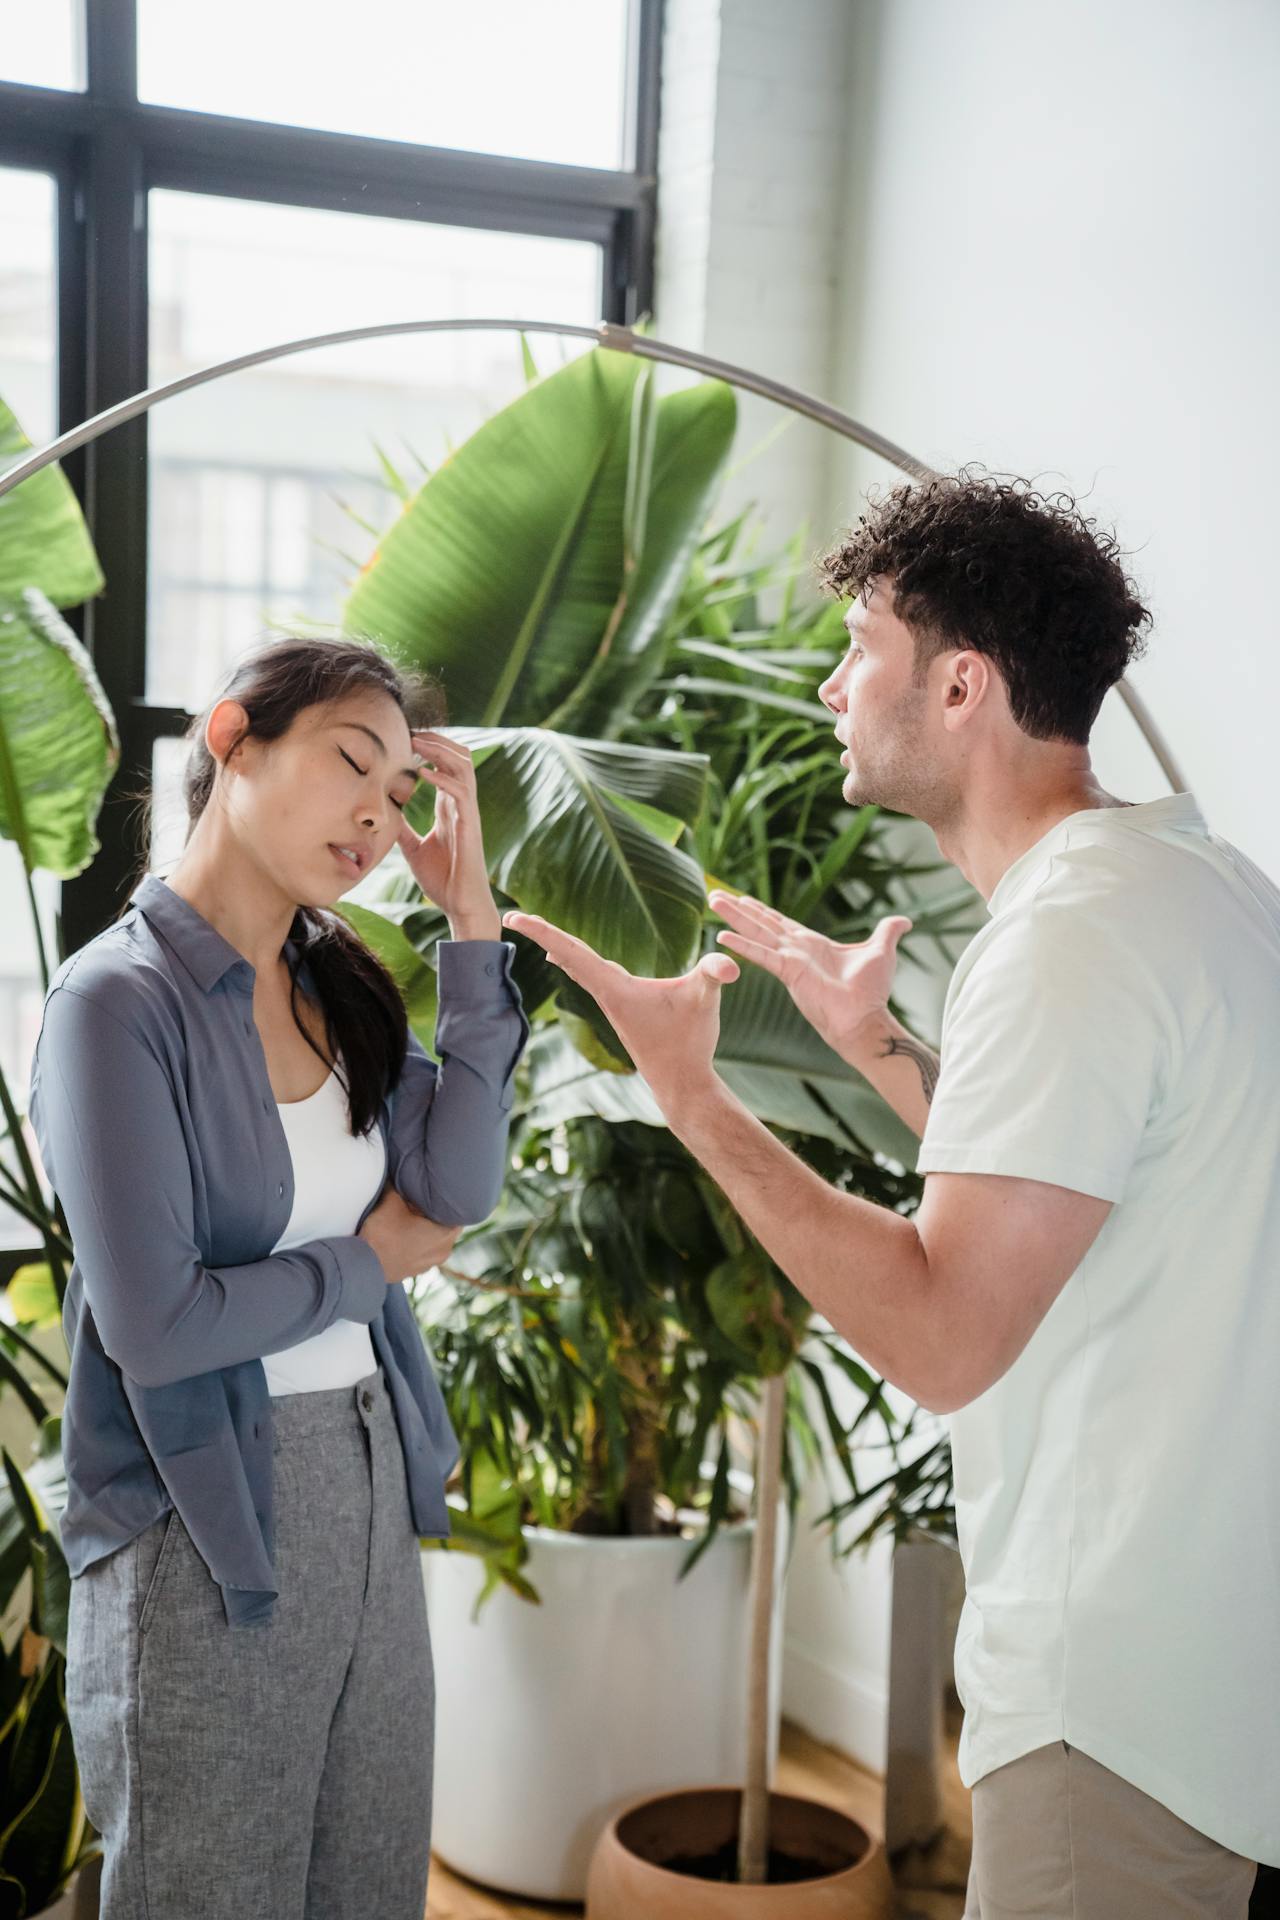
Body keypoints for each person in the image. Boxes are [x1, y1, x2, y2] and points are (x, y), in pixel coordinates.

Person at [502, 472, 1279, 1919]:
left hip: (1115, 1701)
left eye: (863, 645)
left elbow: (940, 1333)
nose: (830, 682)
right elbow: (1094, 1193)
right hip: (1217, 1663)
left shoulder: (1069, 943)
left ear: (965, 685)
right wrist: (882, 1048)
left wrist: (692, 1096)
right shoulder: (1199, 885)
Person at [27, 636, 529, 1919]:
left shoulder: (342, 985)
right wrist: (365, 1267)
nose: (375, 815)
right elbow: (161, 1325)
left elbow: (459, 1189)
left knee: (363, 1884)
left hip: (366, 1482)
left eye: (402, 795)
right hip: (201, 1518)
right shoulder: (112, 1003)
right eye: (352, 765)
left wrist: (471, 932)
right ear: (232, 739)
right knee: (210, 1889)